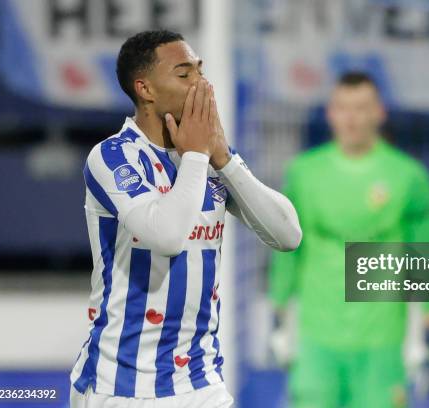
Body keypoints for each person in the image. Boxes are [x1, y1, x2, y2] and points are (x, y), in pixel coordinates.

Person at [70, 30, 302, 408]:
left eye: (199, 70)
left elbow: (288, 235)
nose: (201, 83)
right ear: (145, 89)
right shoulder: (112, 157)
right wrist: (197, 156)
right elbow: (166, 236)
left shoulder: (210, 160)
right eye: (184, 74)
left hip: (201, 382)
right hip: (122, 386)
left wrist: (224, 159)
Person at [268, 72, 429, 408]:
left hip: (382, 343)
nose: (352, 118)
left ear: (380, 113)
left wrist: (428, 338)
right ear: (330, 113)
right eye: (343, 108)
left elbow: (426, 262)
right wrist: (278, 319)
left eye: (362, 108)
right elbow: (287, 252)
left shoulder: (409, 177)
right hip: (317, 340)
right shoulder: (304, 173)